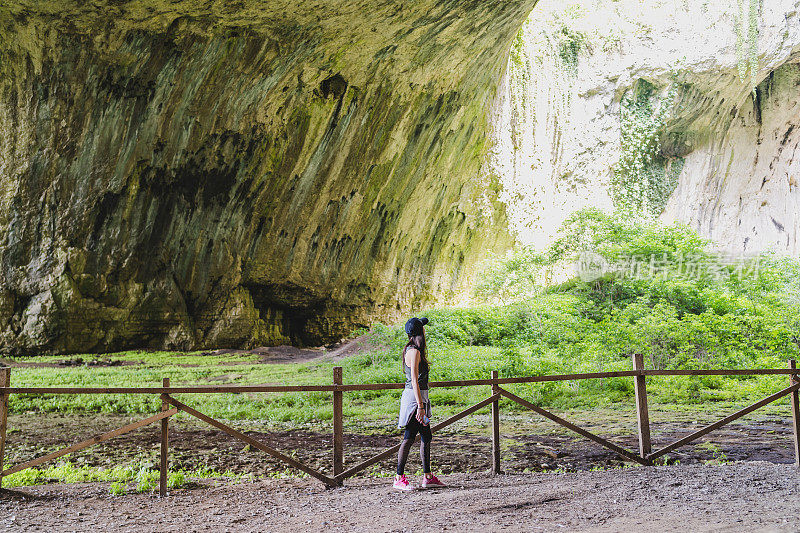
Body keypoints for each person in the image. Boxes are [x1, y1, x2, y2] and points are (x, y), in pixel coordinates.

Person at [393, 316, 446, 491]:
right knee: (409, 438)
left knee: (426, 437)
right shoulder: (414, 352)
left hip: (419, 397)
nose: (425, 330)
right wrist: (420, 407)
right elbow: (414, 381)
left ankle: (428, 477)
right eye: (423, 328)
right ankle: (399, 478)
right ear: (419, 332)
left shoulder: (413, 350)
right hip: (415, 400)